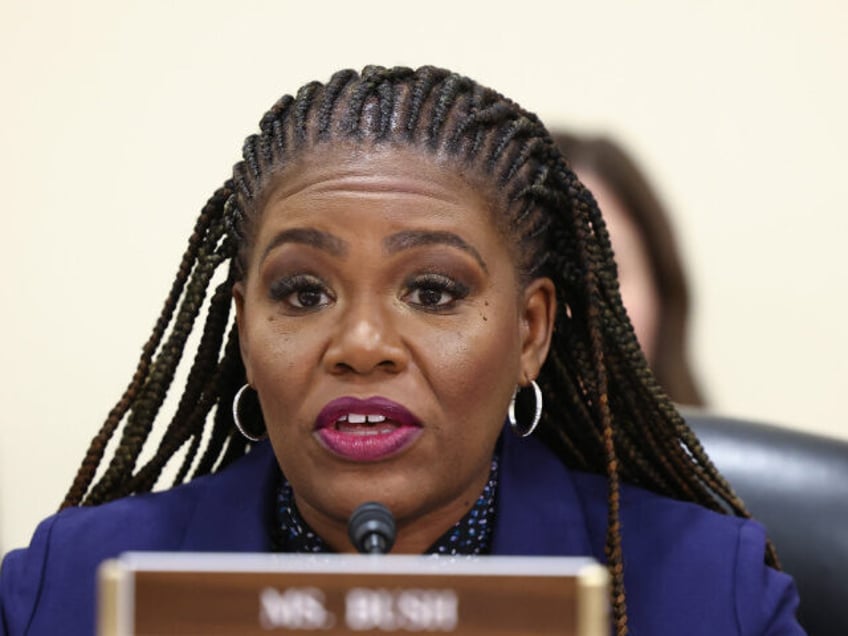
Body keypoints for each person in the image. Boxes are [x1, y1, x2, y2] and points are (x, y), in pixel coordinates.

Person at [0, 66, 802, 635]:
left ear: (529, 332)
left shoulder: (708, 595)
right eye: (304, 293)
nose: (361, 346)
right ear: (244, 327)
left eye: (432, 291)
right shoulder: (66, 589)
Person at [551, 131, 705, 406]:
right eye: (549, 272)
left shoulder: (730, 448)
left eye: (607, 272)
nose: (579, 306)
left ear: (660, 292)